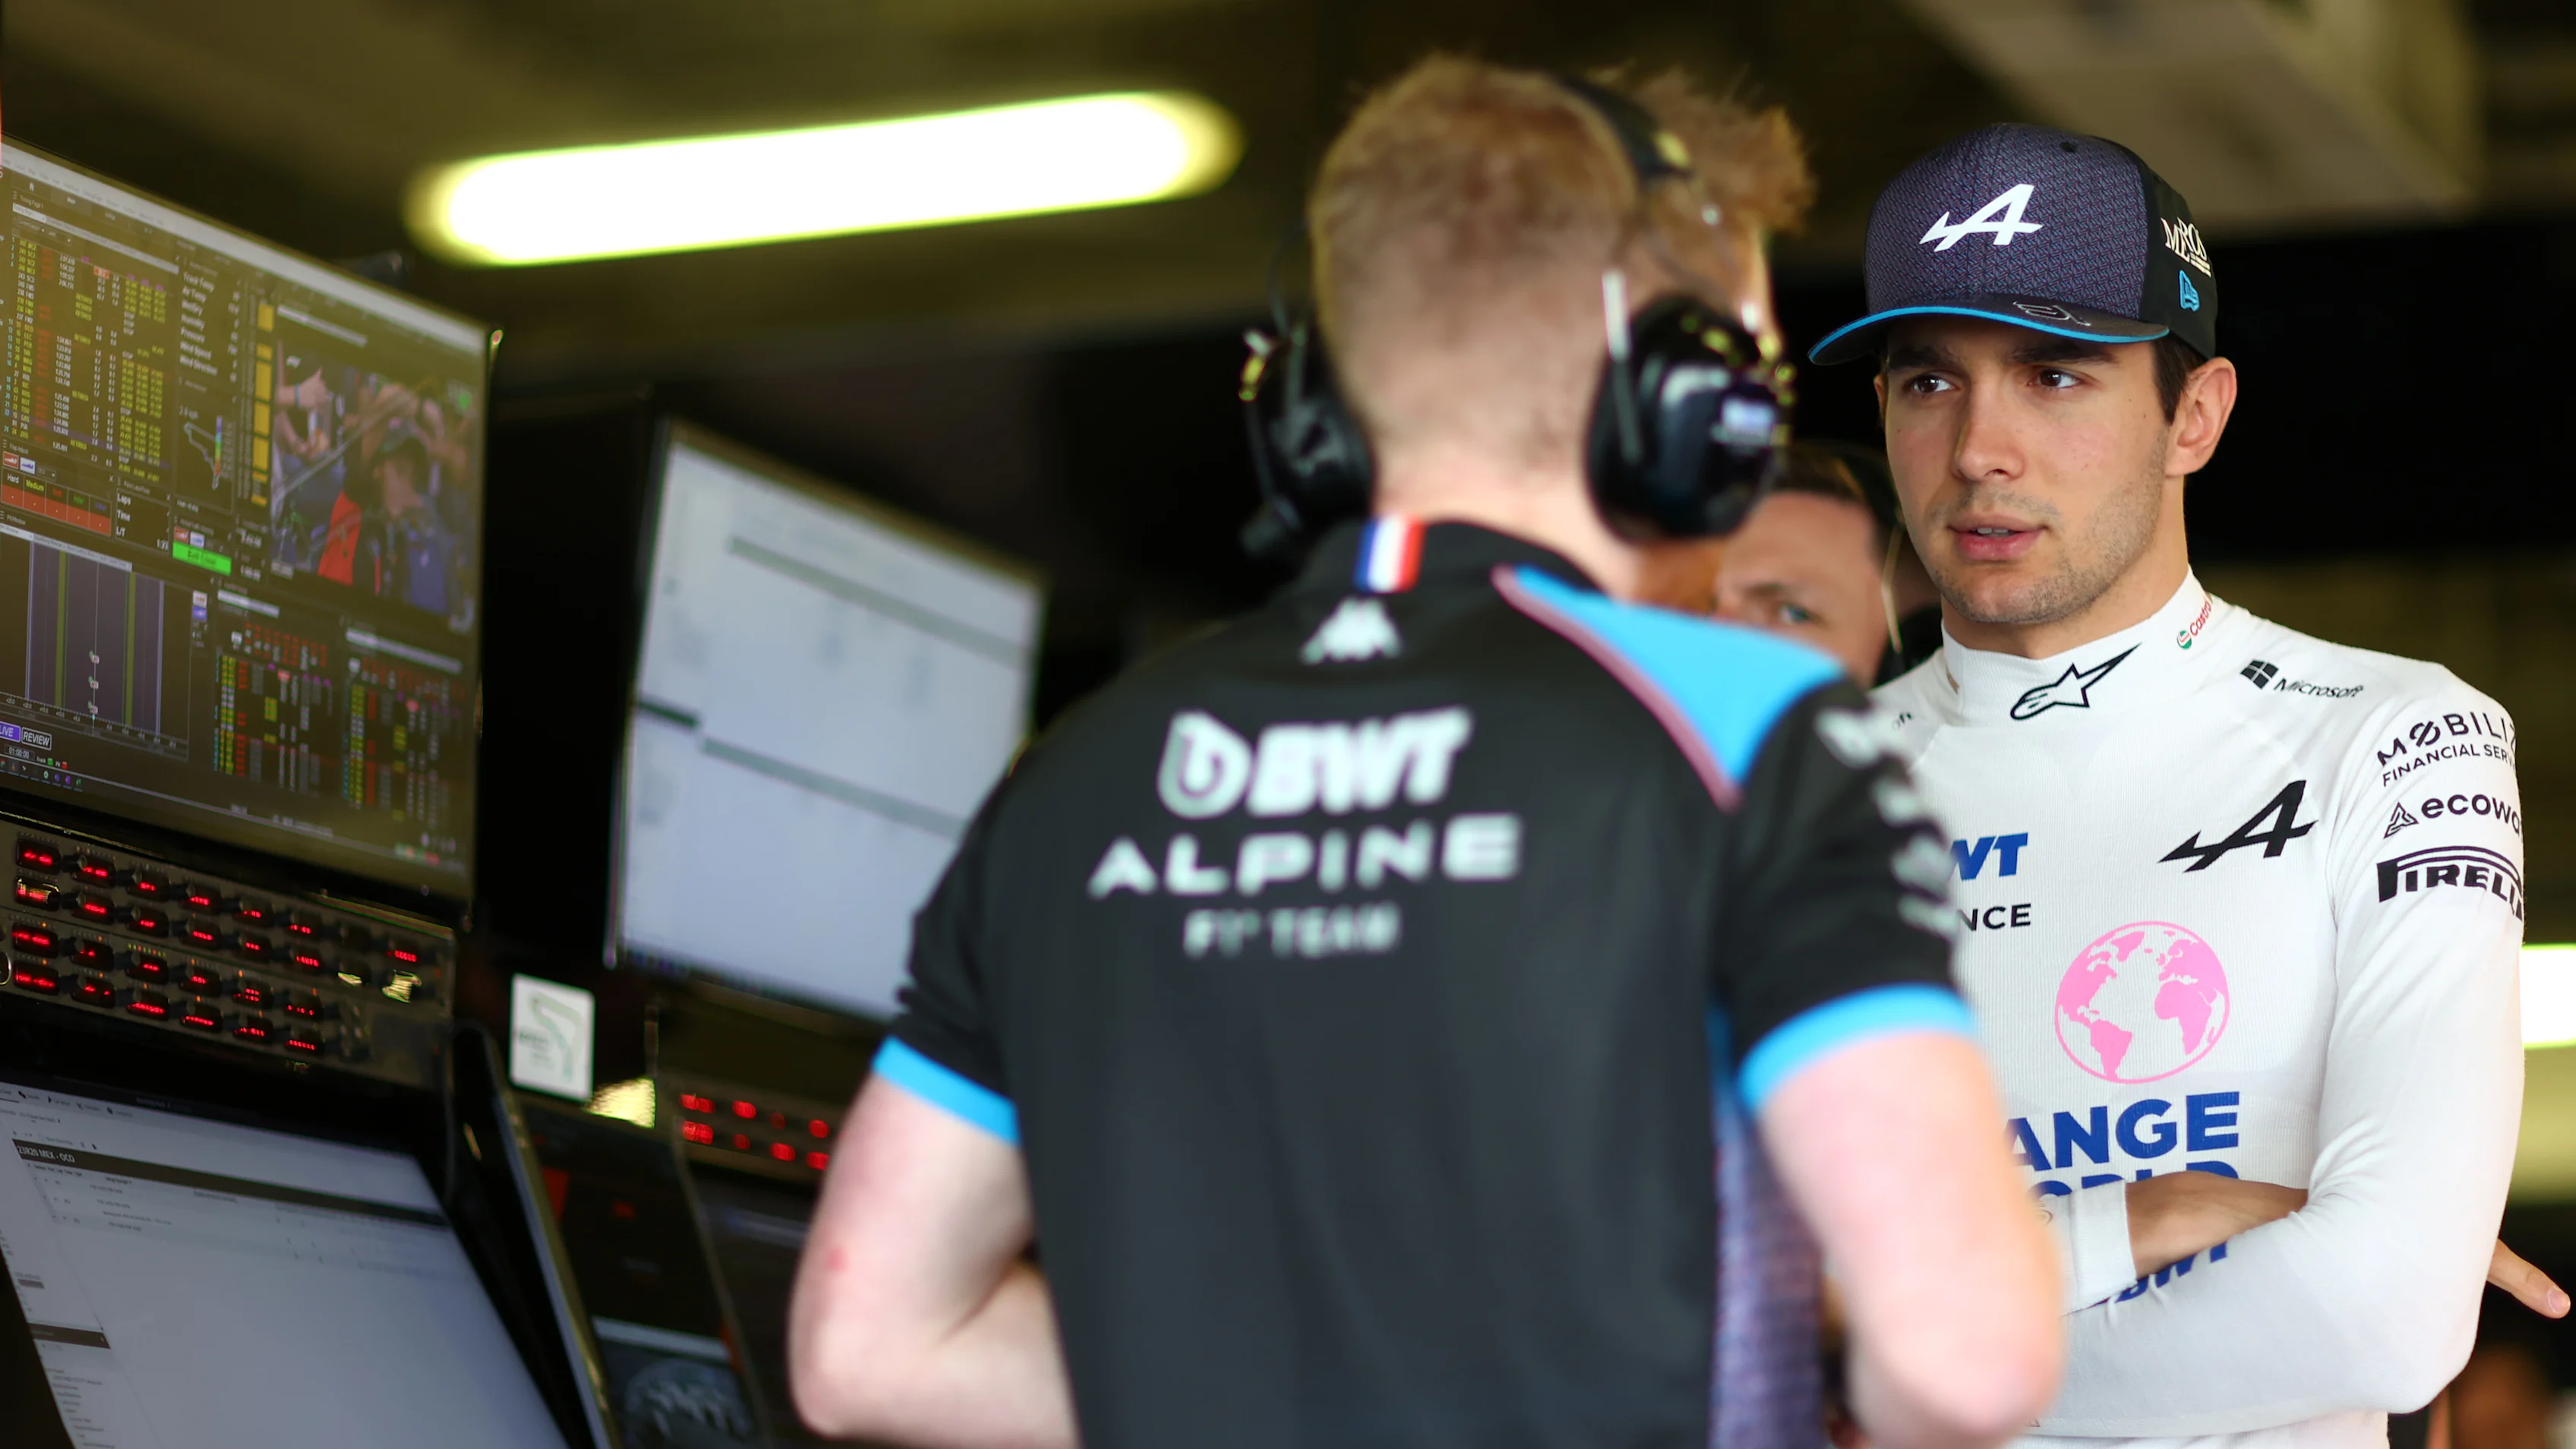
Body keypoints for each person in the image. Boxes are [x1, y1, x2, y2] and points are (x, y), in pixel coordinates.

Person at [786, 58, 2063, 1449]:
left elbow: (870, 1350)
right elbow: (1964, 1361)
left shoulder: (1079, 771)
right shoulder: (1749, 728)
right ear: (1684, 402)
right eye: (1745, 369)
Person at [1807, 122, 2531, 1445]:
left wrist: (1886, 1391)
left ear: (2194, 417)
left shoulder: (2396, 734)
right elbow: (1699, 1289)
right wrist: (2129, 1229)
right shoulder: (1777, 796)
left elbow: (2385, 1312)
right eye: (1928, 383)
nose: (1979, 450)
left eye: (2055, 375)